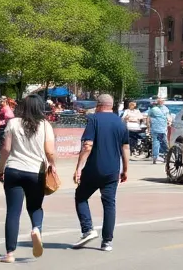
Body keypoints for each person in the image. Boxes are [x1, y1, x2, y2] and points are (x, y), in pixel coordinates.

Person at [0, 95, 56, 263]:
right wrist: (52, 164)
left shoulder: (13, 123)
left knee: (13, 212)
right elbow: (49, 151)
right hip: (36, 171)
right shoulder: (45, 125)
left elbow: (6, 149)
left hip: (14, 170)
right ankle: (36, 229)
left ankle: (9, 254)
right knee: (35, 207)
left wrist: (1, 169)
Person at [71, 95, 129, 252]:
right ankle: (107, 242)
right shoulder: (121, 122)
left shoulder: (93, 119)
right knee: (109, 204)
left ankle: (88, 229)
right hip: (112, 171)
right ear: (111, 105)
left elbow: (87, 146)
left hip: (93, 169)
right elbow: (125, 148)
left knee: (81, 197)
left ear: (99, 105)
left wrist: (79, 168)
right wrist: (125, 169)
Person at [146, 98, 170, 164]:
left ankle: (155, 157)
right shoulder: (166, 109)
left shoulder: (153, 109)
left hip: (155, 128)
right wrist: (169, 123)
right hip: (163, 128)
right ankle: (167, 154)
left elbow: (148, 119)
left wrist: (148, 128)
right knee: (164, 142)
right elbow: (168, 118)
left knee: (156, 141)